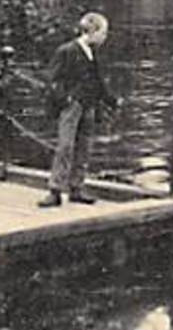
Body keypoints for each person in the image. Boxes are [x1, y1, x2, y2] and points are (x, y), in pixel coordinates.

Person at [40, 12, 121, 208]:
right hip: (73, 106)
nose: (105, 37)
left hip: (89, 105)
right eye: (103, 33)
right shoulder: (67, 51)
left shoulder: (93, 53)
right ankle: (55, 190)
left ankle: (76, 187)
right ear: (92, 32)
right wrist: (66, 100)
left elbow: (97, 81)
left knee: (84, 147)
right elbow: (52, 80)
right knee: (65, 146)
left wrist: (111, 100)